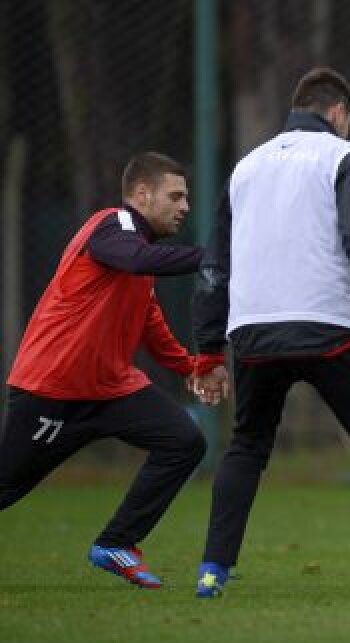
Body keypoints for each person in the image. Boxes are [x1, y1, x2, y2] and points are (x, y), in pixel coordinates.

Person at [190, 67, 350, 598]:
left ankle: (212, 571)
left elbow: (214, 265)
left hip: (254, 332)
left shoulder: (245, 168)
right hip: (327, 327)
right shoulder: (344, 157)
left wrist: (207, 351)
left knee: (246, 446)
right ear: (338, 113)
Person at [0, 152, 207, 589]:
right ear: (142, 195)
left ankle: (117, 543)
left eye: (186, 197)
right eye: (176, 196)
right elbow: (133, 260)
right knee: (8, 486)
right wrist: (213, 259)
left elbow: (152, 326)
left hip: (111, 390)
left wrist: (192, 367)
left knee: (184, 441)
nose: (184, 206)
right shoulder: (112, 225)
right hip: (52, 388)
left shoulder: (141, 257)